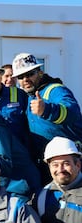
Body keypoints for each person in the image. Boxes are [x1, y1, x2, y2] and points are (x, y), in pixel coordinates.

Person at [12, 52, 82, 185]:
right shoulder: (27, 96)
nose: (25, 79)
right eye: (21, 76)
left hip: (68, 162)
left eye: (30, 74)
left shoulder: (56, 90)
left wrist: (47, 110)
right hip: (47, 164)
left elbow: (73, 112)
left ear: (40, 72)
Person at [35, 136, 82, 223]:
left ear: (78, 165)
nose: (60, 170)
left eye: (66, 164)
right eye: (55, 165)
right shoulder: (41, 196)